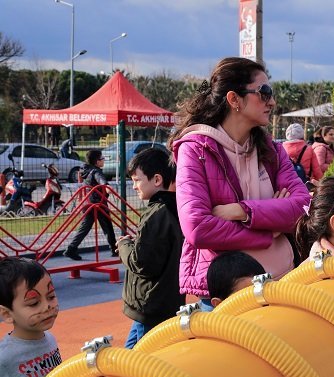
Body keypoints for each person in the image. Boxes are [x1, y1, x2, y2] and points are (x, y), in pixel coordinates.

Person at [168, 57, 308, 310]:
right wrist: (270, 228)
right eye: (264, 93)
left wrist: (243, 211)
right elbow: (198, 228)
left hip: (284, 282)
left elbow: (303, 206)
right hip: (230, 295)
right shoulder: (195, 149)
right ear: (234, 100)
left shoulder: (271, 150)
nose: (272, 101)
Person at [117, 148, 185, 349]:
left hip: (150, 304)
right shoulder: (177, 208)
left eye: (137, 180)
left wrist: (123, 245)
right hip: (165, 301)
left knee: (140, 360)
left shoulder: (157, 214)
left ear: (156, 179)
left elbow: (141, 263)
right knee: (132, 355)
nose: (134, 186)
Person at [0, 257, 62, 377]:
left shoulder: (50, 339)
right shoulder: (4, 359)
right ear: (7, 313)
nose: (47, 306)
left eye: (51, 296)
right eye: (33, 303)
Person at [63, 149, 118, 261]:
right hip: (98, 204)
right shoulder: (96, 172)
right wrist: (107, 187)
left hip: (88, 203)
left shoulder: (86, 171)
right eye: (102, 158)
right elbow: (101, 181)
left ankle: (71, 248)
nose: (104, 161)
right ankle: (114, 249)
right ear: (97, 161)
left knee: (85, 227)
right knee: (107, 226)